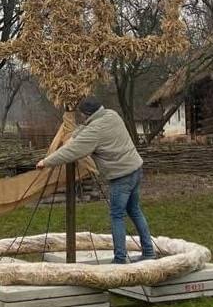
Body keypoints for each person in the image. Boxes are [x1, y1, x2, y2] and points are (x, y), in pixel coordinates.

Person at [36, 98, 157, 264]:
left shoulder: (95, 131)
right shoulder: (112, 115)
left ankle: (120, 259)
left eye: (83, 116)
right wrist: (76, 133)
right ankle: (149, 252)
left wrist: (46, 161)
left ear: (87, 114)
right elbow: (85, 129)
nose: (83, 119)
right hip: (136, 169)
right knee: (135, 210)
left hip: (121, 176)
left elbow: (72, 151)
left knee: (117, 215)